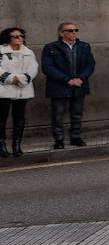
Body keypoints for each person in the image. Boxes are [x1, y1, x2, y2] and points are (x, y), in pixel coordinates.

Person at [41, 21, 95, 149]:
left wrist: (81, 78)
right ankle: (59, 140)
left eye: (75, 30)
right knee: (58, 114)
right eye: (70, 31)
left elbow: (90, 64)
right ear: (61, 33)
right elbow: (48, 68)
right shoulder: (51, 48)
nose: (74, 32)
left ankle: (75, 137)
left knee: (77, 113)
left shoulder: (84, 46)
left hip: (79, 85)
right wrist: (67, 79)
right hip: (59, 86)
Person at [0, 27, 38, 158]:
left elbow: (33, 68)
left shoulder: (28, 52)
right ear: (8, 38)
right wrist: (11, 78)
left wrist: (21, 79)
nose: (20, 38)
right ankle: (2, 146)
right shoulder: (1, 51)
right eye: (16, 36)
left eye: (21, 35)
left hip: (23, 89)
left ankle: (17, 145)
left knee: (19, 117)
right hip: (3, 90)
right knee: (1, 118)